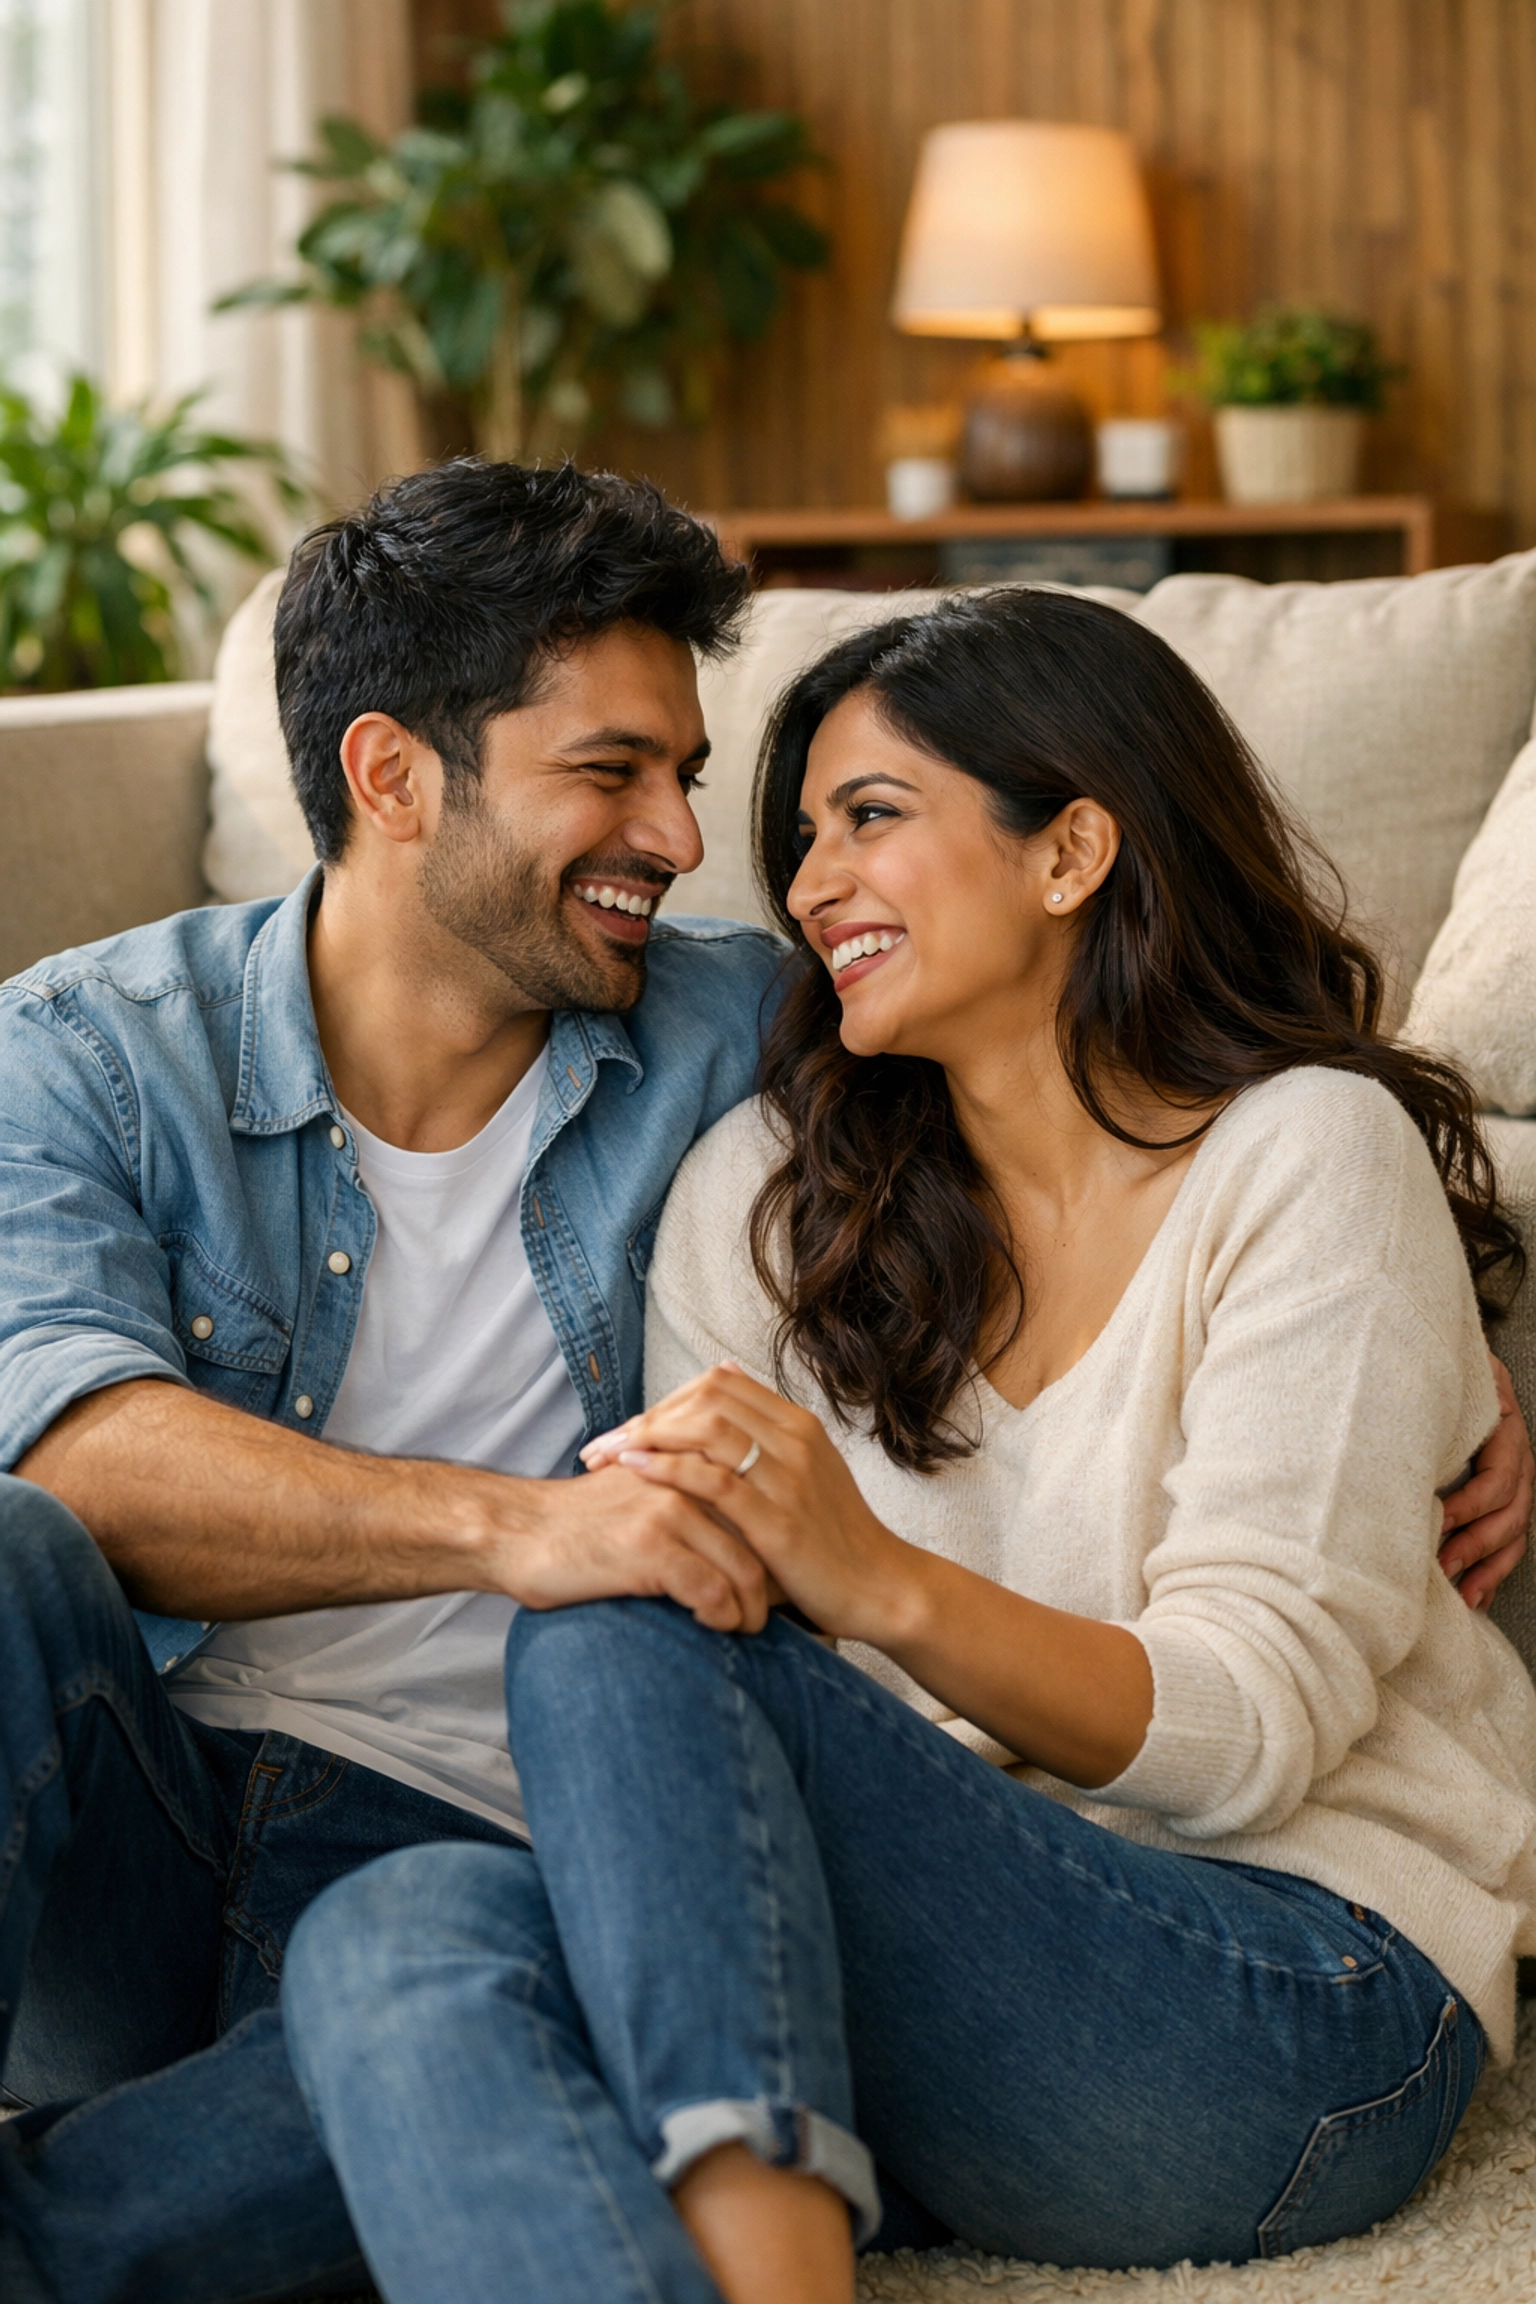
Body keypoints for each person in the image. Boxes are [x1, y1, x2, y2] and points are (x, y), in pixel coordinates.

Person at [282, 588, 1536, 2304]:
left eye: (870, 819)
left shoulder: (1307, 1156)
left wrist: (874, 1583)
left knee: (609, 1631)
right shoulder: (767, 1203)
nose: (805, 891)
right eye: (801, 842)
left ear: (1073, 847)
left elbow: (1247, 1734)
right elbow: (717, 1791)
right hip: (941, 1987)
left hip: (1300, 1992)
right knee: (400, 1939)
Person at [0, 460, 789, 2303]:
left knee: (538, 1989)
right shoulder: (89, 1055)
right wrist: (527, 1530)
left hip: (489, 1873)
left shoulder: (736, 1027)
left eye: (681, 771)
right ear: (391, 776)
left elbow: (1118, 1059)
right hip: (146, 1817)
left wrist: (1427, 1315)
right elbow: (78, 1457)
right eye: (612, 773)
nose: (677, 835)